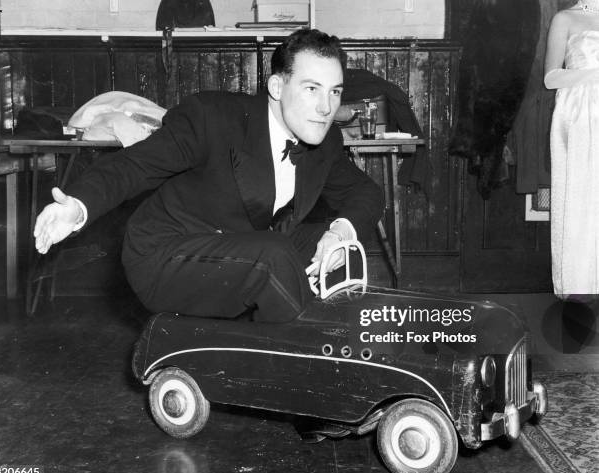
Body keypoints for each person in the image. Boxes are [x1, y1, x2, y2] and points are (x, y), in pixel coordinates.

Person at [33, 29, 384, 322]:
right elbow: (133, 165)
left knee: (338, 244)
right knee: (275, 254)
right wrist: (78, 207)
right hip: (166, 256)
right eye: (312, 89)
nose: (326, 108)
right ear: (277, 87)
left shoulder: (323, 139)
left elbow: (366, 194)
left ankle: (329, 345)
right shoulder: (213, 117)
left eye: (334, 91)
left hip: (243, 246)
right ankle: (306, 363)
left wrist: (339, 232)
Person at [545, 0, 599, 299]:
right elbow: (550, 77)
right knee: (582, 202)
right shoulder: (566, 18)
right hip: (582, 116)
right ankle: (583, 292)